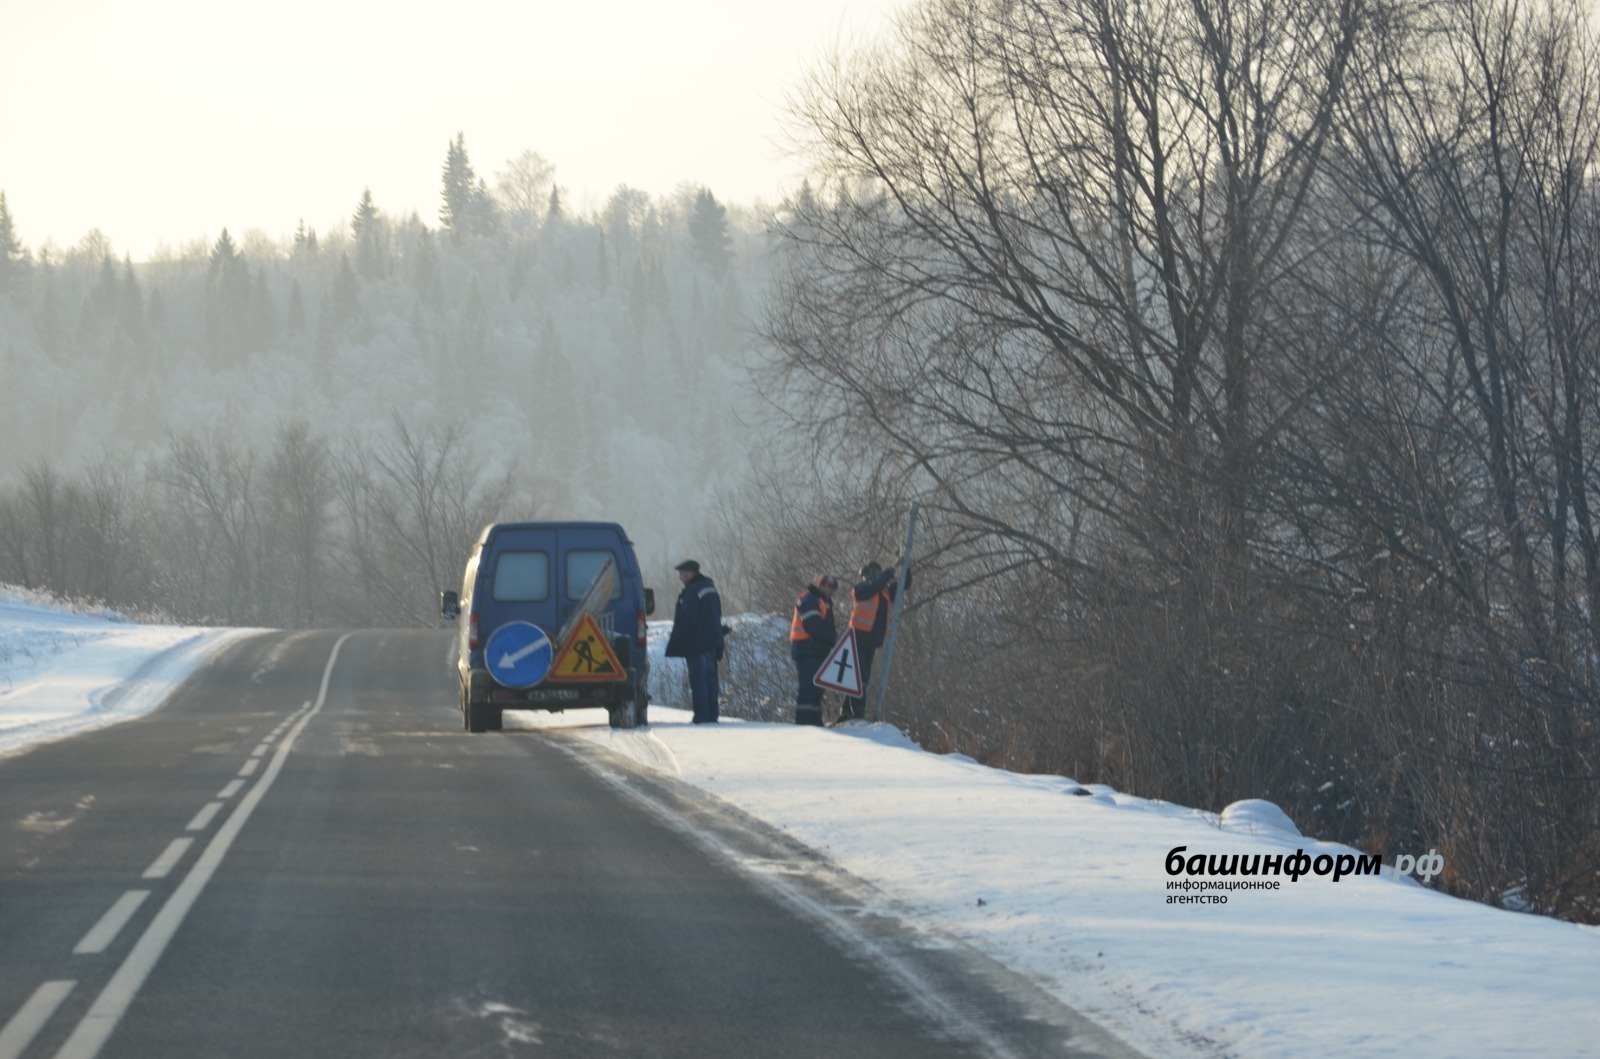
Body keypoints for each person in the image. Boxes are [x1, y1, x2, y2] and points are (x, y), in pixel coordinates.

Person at [841, 559, 909, 721]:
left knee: (862, 676)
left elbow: (904, 584)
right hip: (857, 636)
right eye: (876, 572)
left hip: (872, 640)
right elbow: (874, 587)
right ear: (868, 574)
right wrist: (887, 574)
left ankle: (847, 710)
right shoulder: (861, 588)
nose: (879, 576)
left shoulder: (884, 592)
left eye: (880, 572)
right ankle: (857, 712)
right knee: (859, 675)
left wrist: (905, 565)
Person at [664, 560, 725, 724]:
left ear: (692, 573)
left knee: (698, 682)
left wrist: (679, 635)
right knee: (711, 681)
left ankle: (702, 718)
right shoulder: (710, 588)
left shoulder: (692, 591)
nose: (680, 577)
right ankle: (712, 716)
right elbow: (714, 615)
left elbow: (689, 617)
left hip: (696, 643)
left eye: (682, 574)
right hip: (711, 641)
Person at [789, 573, 839, 726]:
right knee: (808, 689)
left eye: (833, 588)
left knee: (817, 691)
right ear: (822, 585)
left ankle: (815, 723)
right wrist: (832, 637)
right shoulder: (810, 599)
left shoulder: (824, 601)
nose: (831, 590)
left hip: (816, 651)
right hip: (806, 649)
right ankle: (803, 724)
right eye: (829, 587)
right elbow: (813, 626)